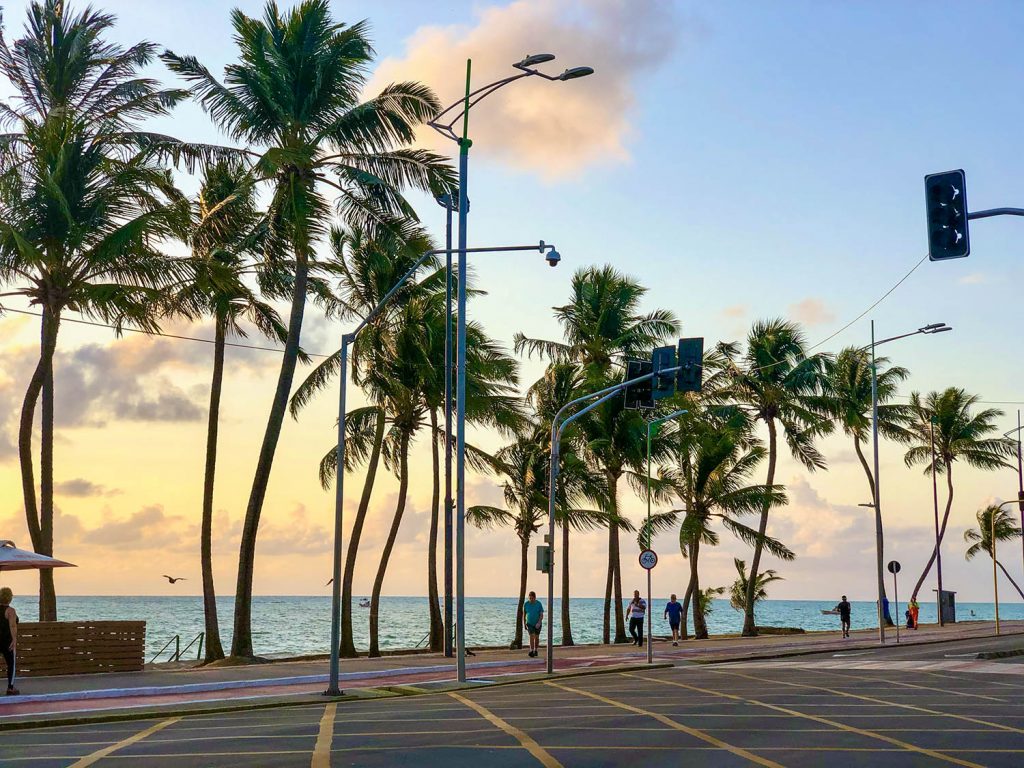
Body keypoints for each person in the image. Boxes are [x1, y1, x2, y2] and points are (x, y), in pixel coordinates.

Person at [0, 587, 18, 696]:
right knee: (11, 664)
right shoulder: (10, 611)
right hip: (6, 641)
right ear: (10, 598)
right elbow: (12, 625)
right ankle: (10, 688)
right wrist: (14, 639)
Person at [522, 591, 543, 658]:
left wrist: (539, 622)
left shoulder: (539, 604)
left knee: (536, 637)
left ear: (535, 598)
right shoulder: (526, 604)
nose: (531, 600)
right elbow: (524, 614)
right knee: (532, 636)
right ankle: (531, 650)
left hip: (537, 623)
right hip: (529, 623)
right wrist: (524, 623)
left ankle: (536, 650)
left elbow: (541, 614)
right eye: (530, 598)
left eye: (532, 598)